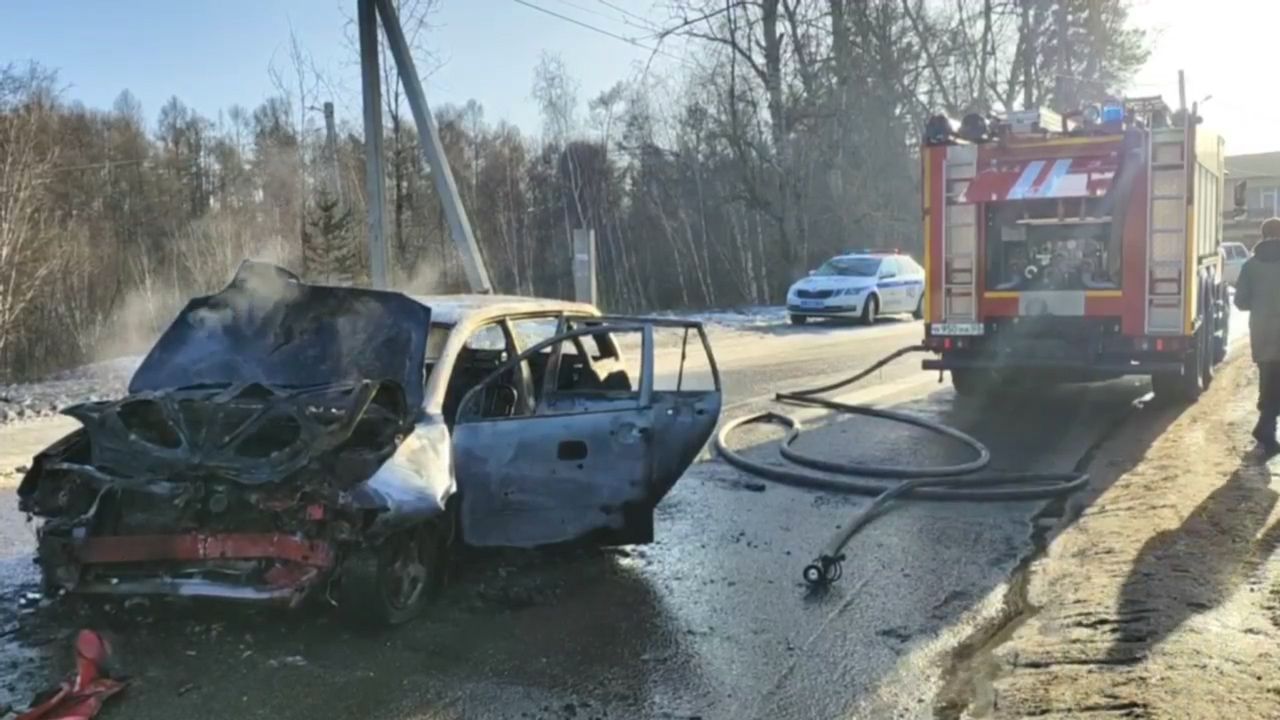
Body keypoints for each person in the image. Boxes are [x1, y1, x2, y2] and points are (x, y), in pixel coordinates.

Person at [1235, 217, 1280, 453]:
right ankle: (1265, 428)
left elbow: (1240, 301)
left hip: (1262, 332)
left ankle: (1267, 431)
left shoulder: (1250, 266)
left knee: (1268, 382)